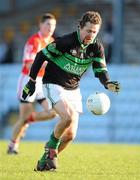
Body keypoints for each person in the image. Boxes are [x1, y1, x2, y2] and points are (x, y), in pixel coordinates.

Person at [22, 11, 120, 171]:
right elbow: (41, 56)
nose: (91, 35)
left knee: (70, 135)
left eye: (94, 32)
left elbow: (101, 71)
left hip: (73, 89)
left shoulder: (96, 47)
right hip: (52, 83)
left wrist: (107, 83)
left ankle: (44, 161)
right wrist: (32, 82)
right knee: (68, 117)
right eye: (88, 31)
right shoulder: (66, 41)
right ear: (80, 27)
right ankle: (50, 147)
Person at [7, 13, 57, 154]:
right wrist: (48, 66)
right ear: (40, 25)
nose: (50, 27)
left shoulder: (52, 41)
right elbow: (29, 65)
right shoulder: (33, 41)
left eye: (53, 25)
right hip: (28, 81)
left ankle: (28, 119)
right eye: (48, 24)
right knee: (22, 118)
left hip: (42, 83)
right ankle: (12, 146)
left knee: (54, 112)